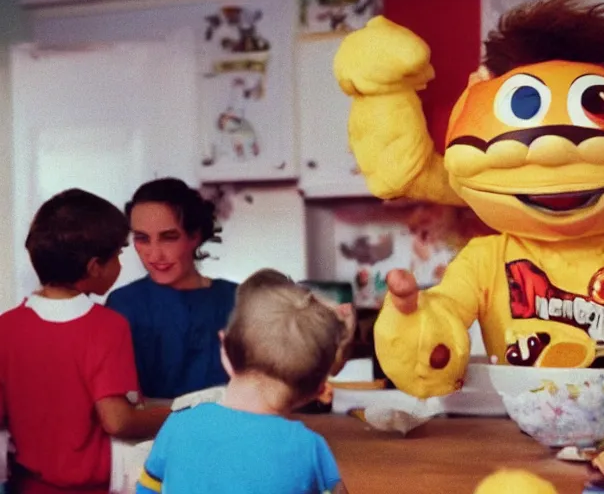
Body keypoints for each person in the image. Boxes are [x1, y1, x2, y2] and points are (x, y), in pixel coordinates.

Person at [0, 189, 170, 494]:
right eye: (118, 254)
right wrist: (179, 414)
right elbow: (118, 420)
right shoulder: (105, 325)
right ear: (94, 267)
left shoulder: (6, 326)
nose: (120, 262)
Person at [135, 268, 349, 494]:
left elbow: (146, 489)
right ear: (318, 390)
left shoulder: (177, 425)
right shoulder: (311, 449)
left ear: (224, 348)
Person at [106, 178, 238, 400]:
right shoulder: (123, 305)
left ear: (194, 236)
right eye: (142, 239)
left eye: (169, 238)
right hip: (148, 433)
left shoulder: (237, 300)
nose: (155, 255)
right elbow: (124, 403)